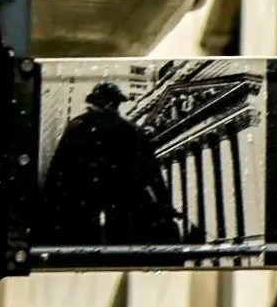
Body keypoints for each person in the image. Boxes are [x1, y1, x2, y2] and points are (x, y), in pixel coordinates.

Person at [36, 82, 185, 246]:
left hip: (83, 207)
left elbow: (57, 171)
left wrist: (48, 207)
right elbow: (153, 173)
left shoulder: (77, 126)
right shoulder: (131, 130)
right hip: (123, 208)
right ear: (111, 103)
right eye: (116, 103)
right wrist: (165, 206)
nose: (117, 107)